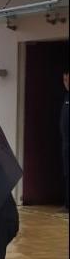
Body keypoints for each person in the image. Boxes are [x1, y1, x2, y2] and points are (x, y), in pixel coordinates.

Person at [60, 67, 69, 212]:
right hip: (66, 144)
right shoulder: (66, 96)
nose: (66, 82)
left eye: (68, 79)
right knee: (67, 173)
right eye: (65, 79)